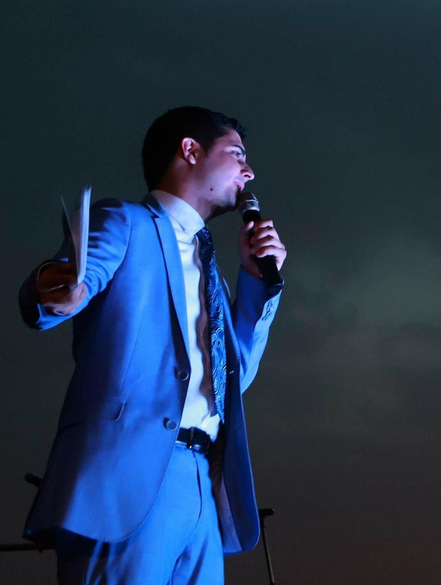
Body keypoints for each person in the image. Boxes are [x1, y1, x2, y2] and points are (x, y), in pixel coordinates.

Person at [17, 106, 288, 585]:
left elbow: (235, 377)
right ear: (190, 150)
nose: (249, 172)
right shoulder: (125, 222)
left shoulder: (214, 274)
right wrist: (55, 291)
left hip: (205, 484)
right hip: (128, 479)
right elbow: (74, 275)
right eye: (237, 154)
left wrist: (255, 282)